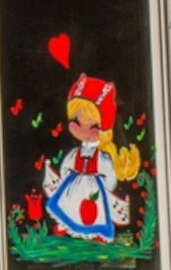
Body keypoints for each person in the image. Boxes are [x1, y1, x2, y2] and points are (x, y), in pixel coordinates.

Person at [41, 73, 140, 240]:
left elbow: (109, 175)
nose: (83, 129)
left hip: (94, 186)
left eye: (92, 125)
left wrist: (101, 182)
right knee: (69, 203)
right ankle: (66, 224)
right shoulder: (76, 152)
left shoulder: (102, 156)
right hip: (75, 181)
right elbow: (67, 166)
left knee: (97, 209)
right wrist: (67, 176)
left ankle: (98, 231)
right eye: (76, 122)